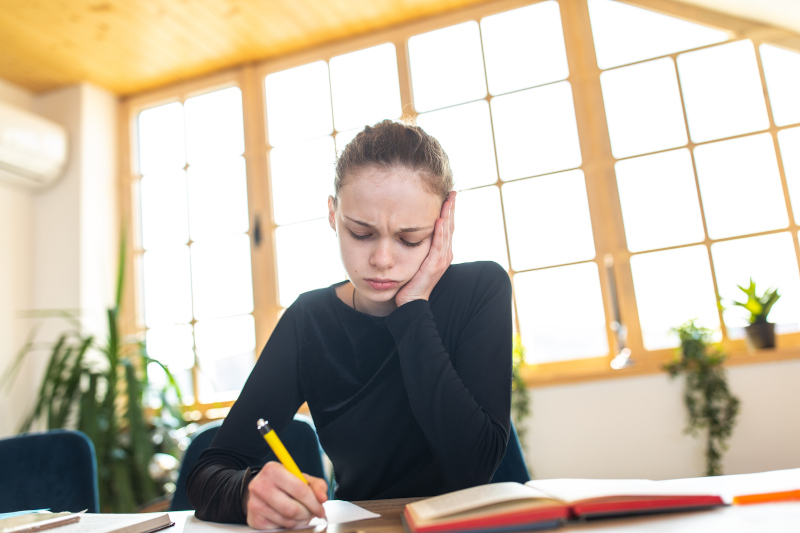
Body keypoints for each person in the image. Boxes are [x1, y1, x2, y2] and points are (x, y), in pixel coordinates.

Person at [187, 119, 513, 528]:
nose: (382, 260)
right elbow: (208, 473)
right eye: (361, 233)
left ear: (443, 225)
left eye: (410, 239)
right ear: (332, 213)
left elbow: (472, 468)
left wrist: (413, 306)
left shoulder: (480, 290)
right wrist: (248, 491)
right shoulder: (310, 321)